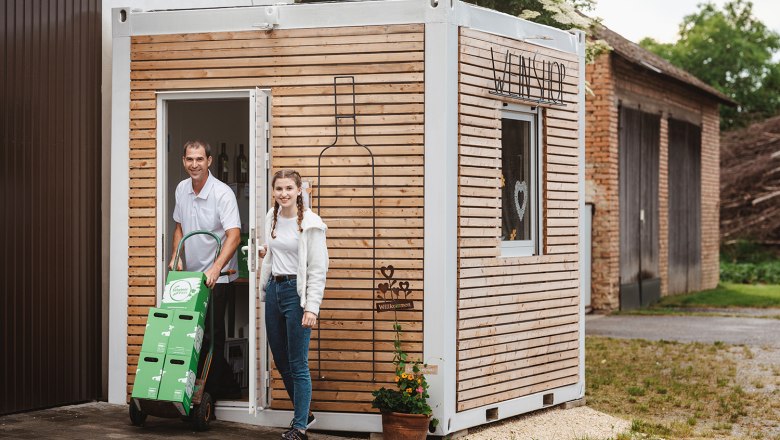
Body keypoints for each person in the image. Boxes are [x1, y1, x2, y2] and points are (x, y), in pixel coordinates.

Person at [169, 139, 242, 400]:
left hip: (218, 278)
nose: (194, 164)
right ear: (184, 161)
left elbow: (234, 236)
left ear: (209, 161)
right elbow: (179, 227)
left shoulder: (222, 193)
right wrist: (177, 256)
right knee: (191, 334)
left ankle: (210, 393)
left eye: (199, 159)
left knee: (212, 336)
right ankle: (203, 389)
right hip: (191, 277)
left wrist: (215, 268)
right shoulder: (181, 189)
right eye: (189, 159)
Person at [259, 169, 328, 440]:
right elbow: (273, 250)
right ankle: (305, 412)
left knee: (298, 363)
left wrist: (312, 307)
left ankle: (299, 427)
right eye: (279, 189)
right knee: (280, 359)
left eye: (289, 188)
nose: (284, 194)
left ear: (300, 190)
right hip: (275, 289)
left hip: (296, 294)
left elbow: (318, 269)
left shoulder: (311, 224)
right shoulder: (271, 217)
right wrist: (266, 252)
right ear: (274, 192)